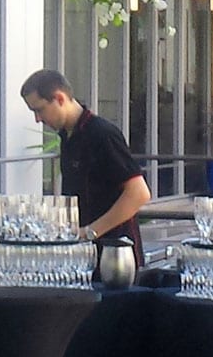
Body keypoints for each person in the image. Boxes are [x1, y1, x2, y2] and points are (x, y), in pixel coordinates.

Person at [20, 68, 150, 267]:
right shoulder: (67, 137)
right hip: (84, 255)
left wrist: (90, 232)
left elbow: (139, 193)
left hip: (115, 255)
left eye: (39, 110)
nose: (38, 119)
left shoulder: (102, 134)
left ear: (60, 98)